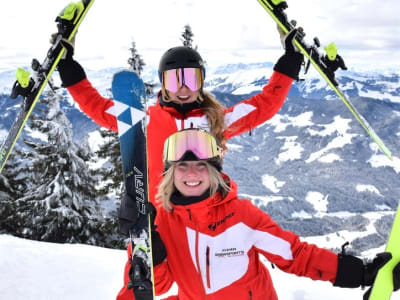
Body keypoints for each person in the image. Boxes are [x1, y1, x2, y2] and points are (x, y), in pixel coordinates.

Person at [56, 29, 302, 299]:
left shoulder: (216, 121)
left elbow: (263, 106)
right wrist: (68, 67)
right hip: (156, 221)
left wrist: (289, 62)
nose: (183, 87)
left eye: (191, 78)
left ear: (201, 82)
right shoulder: (144, 120)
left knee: (209, 287)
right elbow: (97, 106)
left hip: (203, 225)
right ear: (163, 84)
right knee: (140, 286)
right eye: (174, 80)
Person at [137, 128, 399, 300]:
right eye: (182, 166)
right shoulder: (162, 221)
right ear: (171, 174)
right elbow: (157, 287)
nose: (192, 174)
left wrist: (358, 273)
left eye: (201, 165)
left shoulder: (241, 215)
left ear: (214, 171)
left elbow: (295, 254)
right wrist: (151, 254)